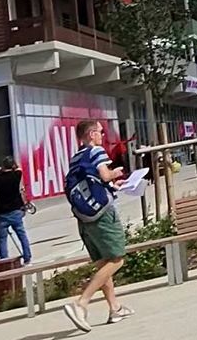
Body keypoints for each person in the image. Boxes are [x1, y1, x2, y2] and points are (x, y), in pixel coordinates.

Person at [64, 120, 129, 332]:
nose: (103, 135)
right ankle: (81, 303)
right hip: (103, 215)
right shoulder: (97, 151)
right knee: (117, 259)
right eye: (101, 132)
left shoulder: (76, 157)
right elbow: (104, 174)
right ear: (91, 134)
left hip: (85, 218)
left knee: (103, 263)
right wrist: (115, 173)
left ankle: (115, 308)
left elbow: (94, 182)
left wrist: (111, 186)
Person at [0, 157, 31, 265]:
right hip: (15, 210)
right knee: (22, 235)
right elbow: (19, 169)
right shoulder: (16, 175)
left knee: (2, 239)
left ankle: (4, 260)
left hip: (2, 212)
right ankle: (27, 257)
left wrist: (0, 171)